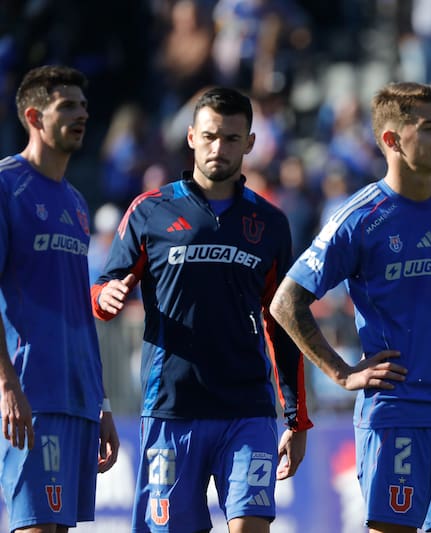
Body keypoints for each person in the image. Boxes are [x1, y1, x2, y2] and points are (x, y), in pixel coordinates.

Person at [270, 81, 431, 533]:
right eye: (428, 128)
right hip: (397, 413)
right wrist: (343, 374)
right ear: (391, 140)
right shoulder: (360, 218)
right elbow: (287, 302)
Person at [91, 86, 312, 533]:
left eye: (232, 138)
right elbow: (101, 288)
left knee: (251, 526)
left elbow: (281, 322)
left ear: (250, 143)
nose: (219, 148)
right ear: (191, 137)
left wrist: (296, 417)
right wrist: (107, 297)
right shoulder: (150, 211)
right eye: (210, 136)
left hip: (247, 406)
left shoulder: (270, 223)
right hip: (173, 406)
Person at [0, 64, 119, 532]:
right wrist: (7, 385)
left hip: (78, 397)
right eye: (67, 106)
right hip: (31, 394)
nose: (81, 114)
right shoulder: (8, 186)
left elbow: (77, 309)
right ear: (34, 116)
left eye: (84, 106)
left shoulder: (75, 202)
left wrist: (103, 401)